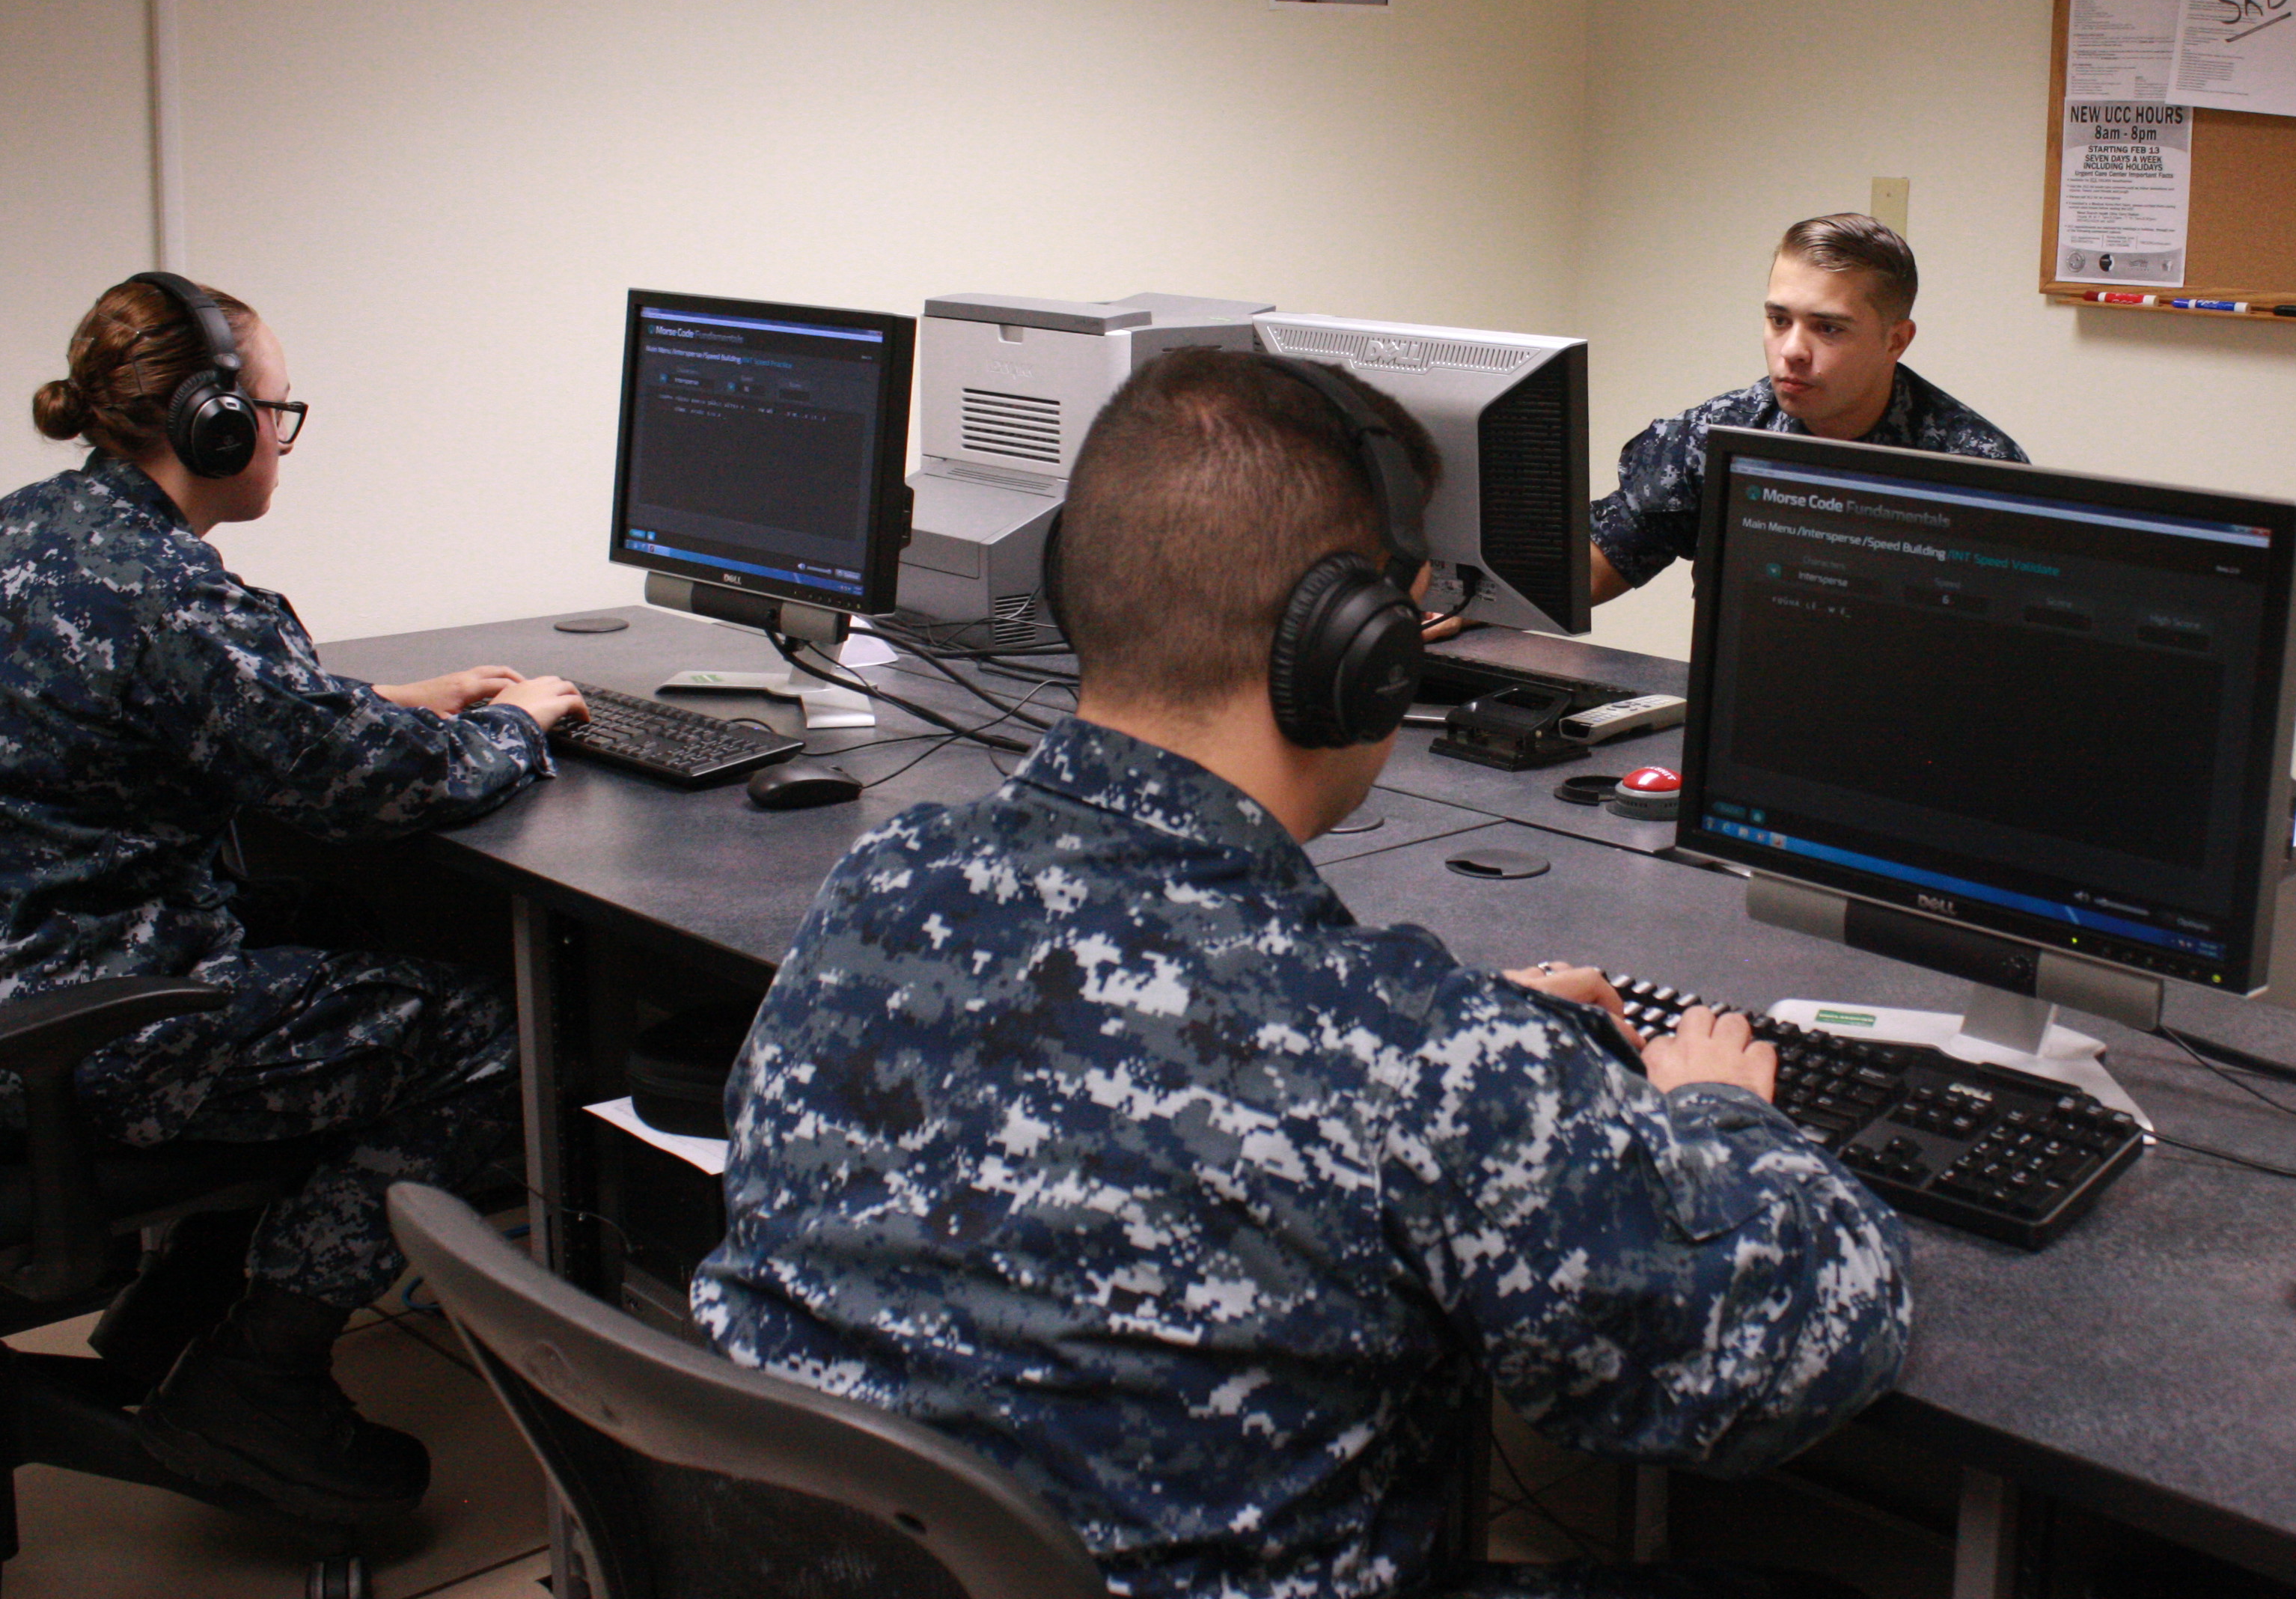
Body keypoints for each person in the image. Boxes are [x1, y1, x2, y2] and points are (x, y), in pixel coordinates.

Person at [695, 348, 1912, 1599]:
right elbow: (1775, 1358)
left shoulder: (881, 880)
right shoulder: (1412, 1056)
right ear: (1358, 652)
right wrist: (1712, 1111)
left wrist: (1494, 1058)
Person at [0, 272, 585, 1526]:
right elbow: (373, 790)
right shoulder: (174, 597)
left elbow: (221, 720)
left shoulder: (35, 533)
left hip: (28, 983)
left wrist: (389, 699)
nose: (283, 436)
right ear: (215, 423)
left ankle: (184, 1304)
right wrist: (521, 725)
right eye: (280, 407)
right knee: (492, 1034)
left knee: (345, 934)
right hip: (97, 1023)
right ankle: (258, 1371)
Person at [1584, 213, 2026, 603]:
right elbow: (1587, 573)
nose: (1792, 350)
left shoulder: (1977, 469)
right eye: (1779, 320)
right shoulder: (1720, 434)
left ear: (1896, 341)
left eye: (1828, 328)